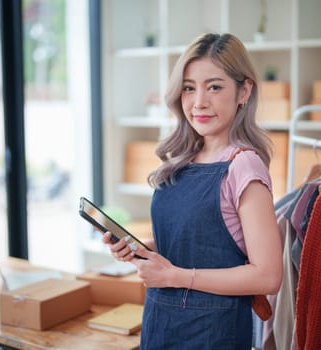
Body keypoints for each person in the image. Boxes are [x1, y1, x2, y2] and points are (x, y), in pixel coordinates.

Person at [103, 32, 283, 349]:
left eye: (214, 86)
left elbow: (267, 276)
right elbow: (199, 239)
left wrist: (175, 276)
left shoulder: (244, 166)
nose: (198, 101)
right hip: (161, 324)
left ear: (244, 90)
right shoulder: (181, 160)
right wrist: (144, 249)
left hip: (213, 335)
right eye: (189, 88)